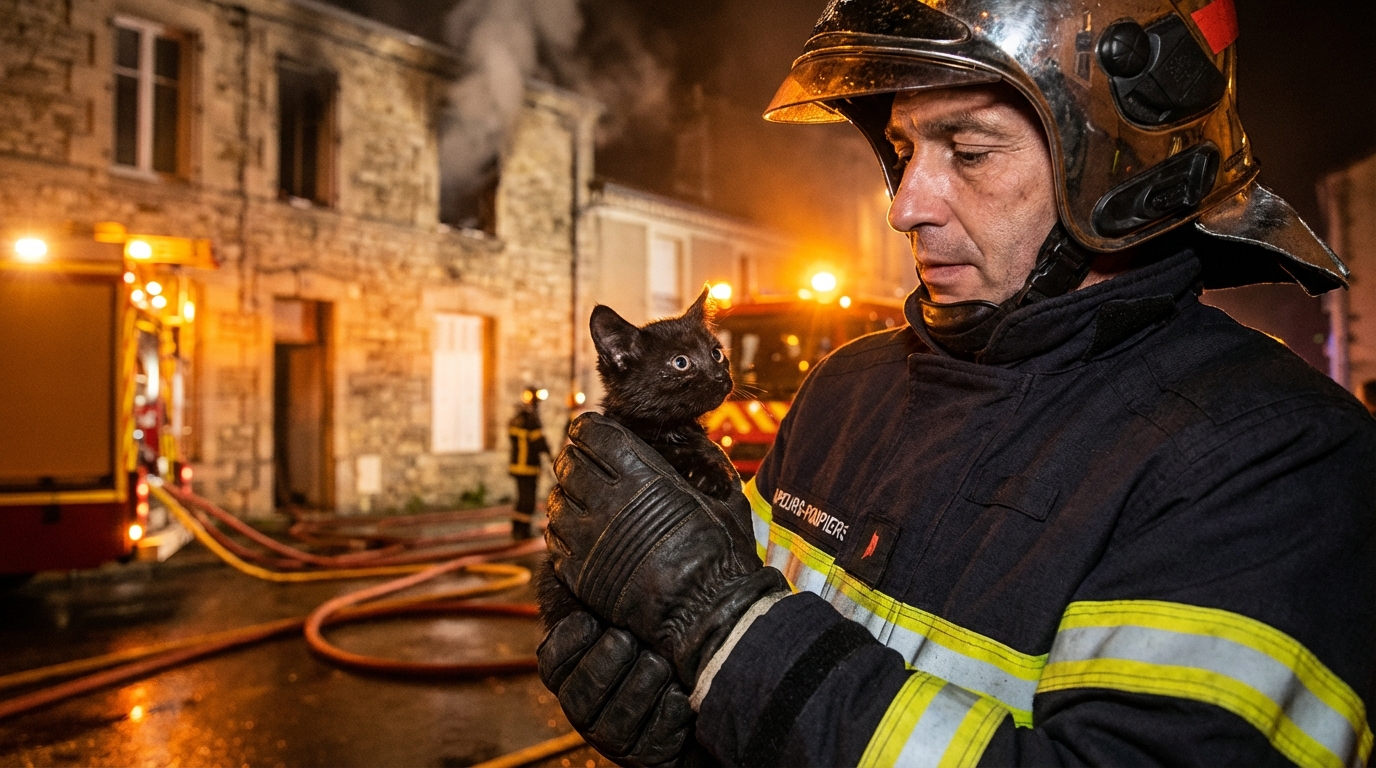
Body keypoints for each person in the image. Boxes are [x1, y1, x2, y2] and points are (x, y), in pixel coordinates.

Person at [536, 1, 1376, 766]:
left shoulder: (1278, 461)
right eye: (903, 150)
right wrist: (681, 735)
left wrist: (729, 638)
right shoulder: (843, 391)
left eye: (968, 150)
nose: (905, 206)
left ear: (1129, 169)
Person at [507, 387, 550, 540]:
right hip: (529, 466)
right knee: (528, 501)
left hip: (517, 466)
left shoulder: (517, 420)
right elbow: (540, 443)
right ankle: (523, 532)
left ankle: (517, 528)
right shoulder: (532, 420)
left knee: (521, 499)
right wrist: (551, 456)